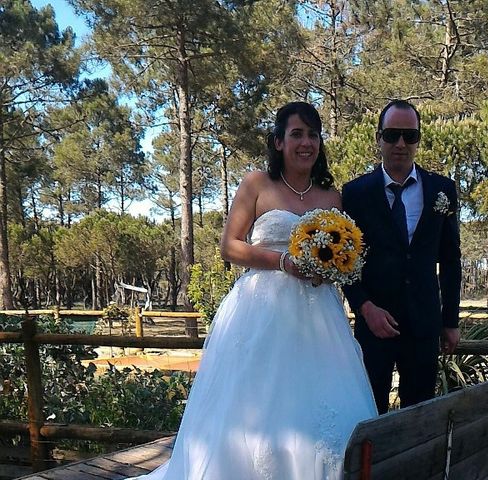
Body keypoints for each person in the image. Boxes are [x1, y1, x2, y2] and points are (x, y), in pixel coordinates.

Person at [128, 102, 376, 480]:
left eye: (313, 134)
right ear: (278, 142)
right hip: (261, 310)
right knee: (256, 403)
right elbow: (230, 246)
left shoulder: (331, 196)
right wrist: (280, 262)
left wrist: (327, 270)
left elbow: (340, 256)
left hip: (319, 318)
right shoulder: (257, 184)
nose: (306, 143)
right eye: (296, 134)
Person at [342, 99, 462, 414]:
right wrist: (365, 308)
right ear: (378, 138)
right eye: (392, 134)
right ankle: (372, 467)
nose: (400, 144)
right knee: (368, 414)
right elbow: (345, 262)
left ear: (418, 140)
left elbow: (450, 260)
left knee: (419, 416)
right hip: (374, 325)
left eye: (410, 136)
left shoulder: (442, 190)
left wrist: (450, 321)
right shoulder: (354, 194)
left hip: (424, 325)